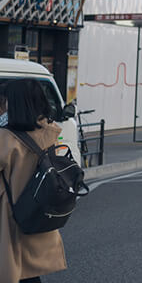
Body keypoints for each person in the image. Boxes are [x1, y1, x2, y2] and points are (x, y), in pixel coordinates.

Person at [0, 79, 69, 282]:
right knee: (29, 272)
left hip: (9, 215)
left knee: (12, 266)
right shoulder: (50, 132)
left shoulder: (6, 139)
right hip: (36, 209)